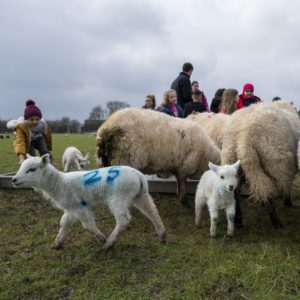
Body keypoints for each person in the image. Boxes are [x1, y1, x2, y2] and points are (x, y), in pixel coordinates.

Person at [7, 100, 53, 165]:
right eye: (31, 119)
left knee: (45, 151)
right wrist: (22, 158)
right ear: (26, 119)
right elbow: (20, 142)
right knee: (31, 154)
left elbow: (47, 135)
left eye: (37, 119)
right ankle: (31, 167)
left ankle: (51, 165)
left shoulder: (42, 124)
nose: (35, 122)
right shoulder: (22, 126)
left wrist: (48, 148)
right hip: (28, 140)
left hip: (39, 138)